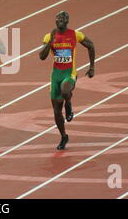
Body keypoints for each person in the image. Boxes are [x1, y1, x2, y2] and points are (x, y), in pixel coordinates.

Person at [39, 11, 95, 150]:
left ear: (68, 20)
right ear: (55, 20)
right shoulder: (48, 36)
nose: (61, 20)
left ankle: (68, 104)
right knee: (57, 111)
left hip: (69, 73)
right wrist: (50, 42)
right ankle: (64, 136)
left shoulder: (75, 34)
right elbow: (41, 56)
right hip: (55, 75)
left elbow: (91, 46)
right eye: (58, 18)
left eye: (64, 18)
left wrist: (92, 67)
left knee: (65, 91)